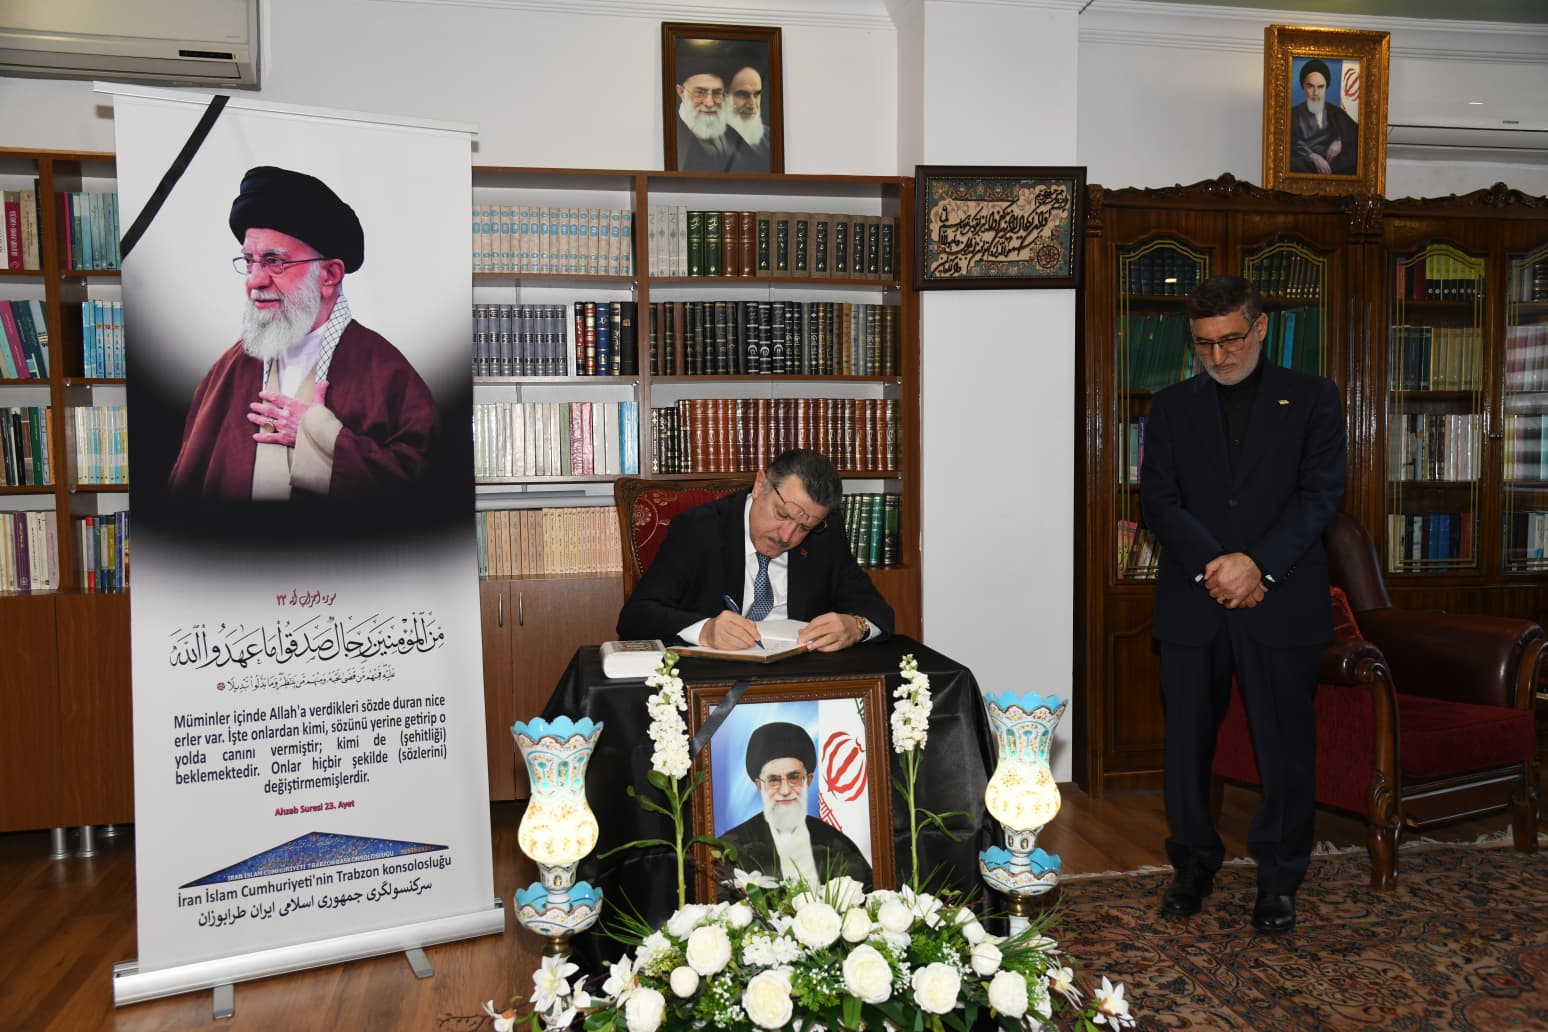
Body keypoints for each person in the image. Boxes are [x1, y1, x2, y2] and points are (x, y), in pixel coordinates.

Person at [1140, 274, 1346, 933]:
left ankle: (1279, 880)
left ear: (1260, 327)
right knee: (1186, 748)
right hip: (1193, 600)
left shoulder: (1312, 398)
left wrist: (1258, 565)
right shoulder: (1171, 407)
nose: (1219, 356)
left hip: (1279, 600)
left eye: (1230, 339)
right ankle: (1192, 867)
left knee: (1284, 747)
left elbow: (1320, 495)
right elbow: (1159, 501)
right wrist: (1217, 566)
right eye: (1204, 344)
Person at [168, 166, 442, 502]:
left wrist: (321, 436)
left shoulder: (384, 370)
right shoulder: (229, 368)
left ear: (329, 275)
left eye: (274, 261)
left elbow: (422, 485)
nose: (254, 280)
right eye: (249, 261)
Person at [616, 448, 894, 652]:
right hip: (714, 681)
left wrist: (856, 627)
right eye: (782, 515)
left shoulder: (826, 535)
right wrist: (705, 630)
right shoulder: (699, 529)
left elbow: (878, 611)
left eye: (804, 527)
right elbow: (636, 617)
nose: (786, 536)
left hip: (799, 678)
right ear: (761, 485)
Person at [719, 721, 872, 889]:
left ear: (808, 780)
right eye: (774, 780)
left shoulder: (834, 843)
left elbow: (865, 893)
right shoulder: (734, 846)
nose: (785, 790)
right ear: (759, 785)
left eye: (794, 778)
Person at [674, 62, 751, 173]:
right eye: (700, 93)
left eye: (717, 93)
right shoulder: (675, 138)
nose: (709, 103)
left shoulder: (732, 134)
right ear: (681, 92)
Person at [1289, 59, 1359, 176]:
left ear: (1326, 87)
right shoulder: (1292, 115)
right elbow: (1289, 142)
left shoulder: (1336, 113)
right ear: (1303, 86)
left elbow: (1357, 134)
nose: (1316, 92)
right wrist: (1312, 156)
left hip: (1333, 165)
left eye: (1320, 87)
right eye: (1310, 86)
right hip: (1305, 165)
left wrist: (1340, 141)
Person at [724, 65, 772, 173]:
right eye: (743, 95)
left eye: (757, 95)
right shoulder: (712, 141)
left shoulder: (770, 137)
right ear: (726, 95)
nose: (752, 104)